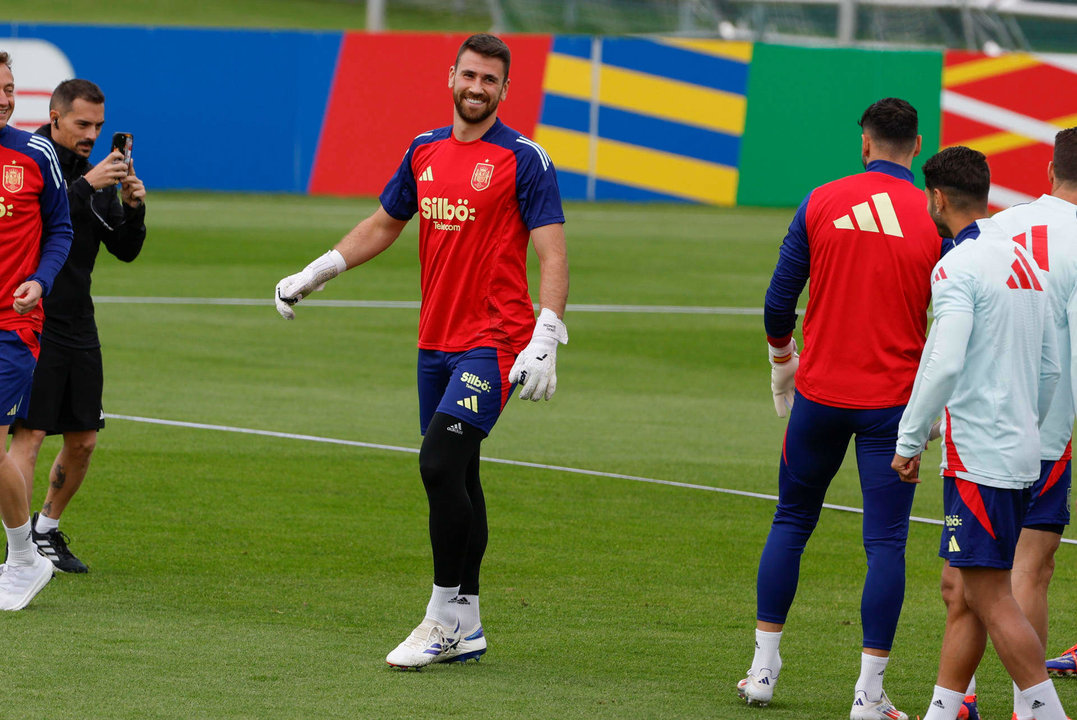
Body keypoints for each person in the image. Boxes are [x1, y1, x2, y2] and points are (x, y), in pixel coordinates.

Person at [274, 33, 568, 669]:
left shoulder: (526, 159)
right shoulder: (423, 149)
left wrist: (546, 336)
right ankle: (471, 620)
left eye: (490, 79)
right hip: (434, 339)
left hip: (494, 340)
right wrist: (316, 271)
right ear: (452, 77)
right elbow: (385, 223)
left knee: (437, 464)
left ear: (504, 90)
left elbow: (552, 251)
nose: (477, 87)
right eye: (469, 75)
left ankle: (440, 619)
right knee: (460, 474)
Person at [740, 97, 944, 720]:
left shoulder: (822, 200)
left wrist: (782, 361)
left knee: (790, 522)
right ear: (915, 147)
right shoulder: (935, 216)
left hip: (819, 398)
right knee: (885, 544)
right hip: (893, 408)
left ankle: (762, 671)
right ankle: (868, 694)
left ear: (865, 143)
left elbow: (779, 301)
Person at [892, 146, 1068, 720]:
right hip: (1024, 450)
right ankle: (943, 711)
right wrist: (1029, 424)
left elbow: (941, 363)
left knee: (991, 597)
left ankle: (1045, 712)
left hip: (979, 459)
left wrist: (909, 439)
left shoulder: (957, 267)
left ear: (937, 199)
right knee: (963, 590)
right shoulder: (1022, 261)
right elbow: (1049, 369)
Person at [6, 79, 146, 574]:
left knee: (84, 438)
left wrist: (133, 207)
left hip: (78, 321)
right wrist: (87, 186)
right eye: (83, 124)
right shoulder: (31, 160)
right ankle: (17, 549)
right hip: (32, 317)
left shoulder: (96, 174)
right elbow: (37, 226)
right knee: (30, 434)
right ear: (55, 116)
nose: (91, 134)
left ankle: (46, 529)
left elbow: (124, 250)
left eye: (99, 127)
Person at [980, 126, 1077, 719]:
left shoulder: (998, 226)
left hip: (982, 423)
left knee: (970, 573)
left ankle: (955, 698)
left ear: (1049, 170)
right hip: (1048, 429)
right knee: (1031, 569)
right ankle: (1027, 706)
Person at [0, 50, 73, 609]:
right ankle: (23, 557)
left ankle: (24, 558)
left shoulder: (34, 151)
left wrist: (42, 281)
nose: (4, 98)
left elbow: (60, 229)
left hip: (13, 323)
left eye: (9, 88)